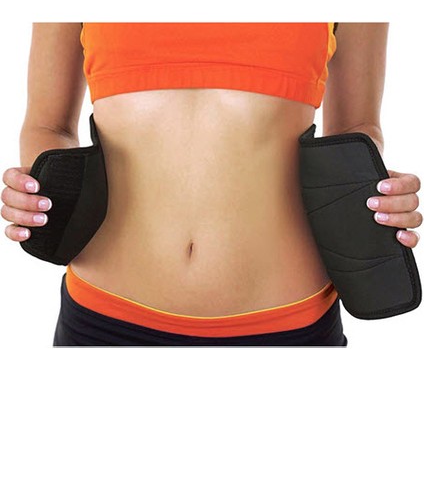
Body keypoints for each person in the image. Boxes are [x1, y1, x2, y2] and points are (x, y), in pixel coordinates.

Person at [1, 22, 422, 346]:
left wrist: (378, 190)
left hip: (288, 323)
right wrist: (40, 187)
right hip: (104, 316)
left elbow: (356, 126)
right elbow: (48, 125)